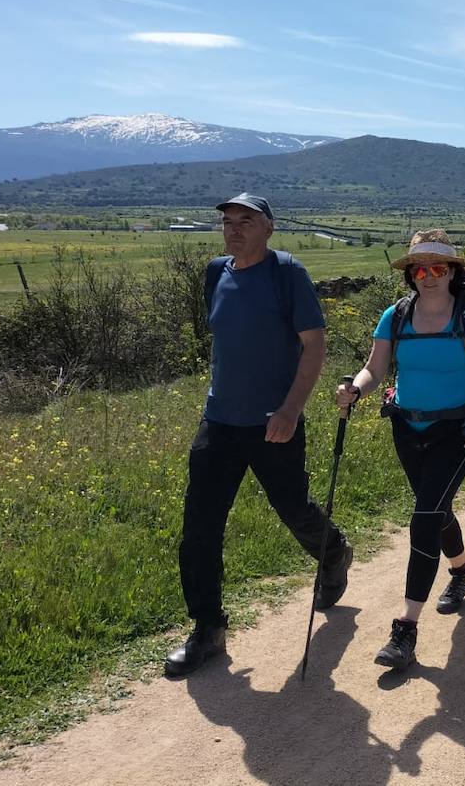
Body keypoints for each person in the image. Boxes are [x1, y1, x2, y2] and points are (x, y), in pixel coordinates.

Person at [166, 193, 352, 677]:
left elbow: (314, 346)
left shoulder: (287, 273)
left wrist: (291, 409)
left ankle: (334, 552)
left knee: (293, 509)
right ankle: (208, 628)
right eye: (227, 222)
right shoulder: (215, 272)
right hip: (220, 420)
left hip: (275, 421)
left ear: (269, 227)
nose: (233, 229)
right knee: (199, 527)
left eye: (245, 221)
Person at [336, 230, 465, 672]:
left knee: (425, 515)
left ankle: (405, 628)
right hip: (407, 428)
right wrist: (355, 388)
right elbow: (375, 368)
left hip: (458, 430)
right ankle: (462, 572)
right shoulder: (395, 316)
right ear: (411, 275)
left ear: (452, 273)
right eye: (419, 269)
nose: (428, 276)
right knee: (437, 507)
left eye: (438, 268)